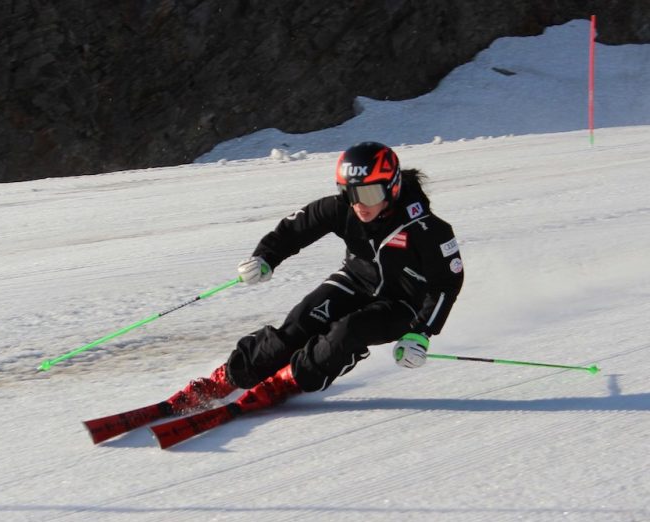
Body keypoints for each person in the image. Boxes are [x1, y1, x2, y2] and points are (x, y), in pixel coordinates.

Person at [165, 141, 464, 414]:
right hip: (355, 282)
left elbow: (447, 283)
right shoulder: (345, 209)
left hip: (402, 304)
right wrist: (265, 257)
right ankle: (229, 378)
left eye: (370, 193)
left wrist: (421, 333)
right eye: (350, 193)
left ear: (393, 187)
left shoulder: (427, 229)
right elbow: (297, 228)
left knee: (347, 332)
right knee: (298, 324)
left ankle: (287, 382)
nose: (359, 204)